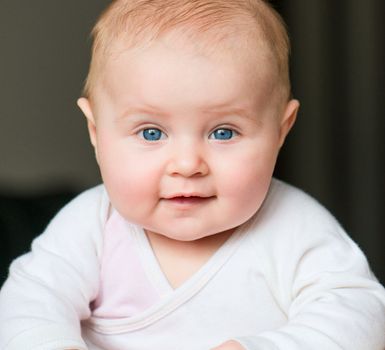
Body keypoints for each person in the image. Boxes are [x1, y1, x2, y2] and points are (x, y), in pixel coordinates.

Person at [1, 0, 384, 349]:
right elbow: (29, 302)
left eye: (223, 132)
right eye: (151, 133)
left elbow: (362, 315)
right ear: (97, 133)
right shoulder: (92, 226)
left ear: (281, 130)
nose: (187, 164)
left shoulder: (297, 229)